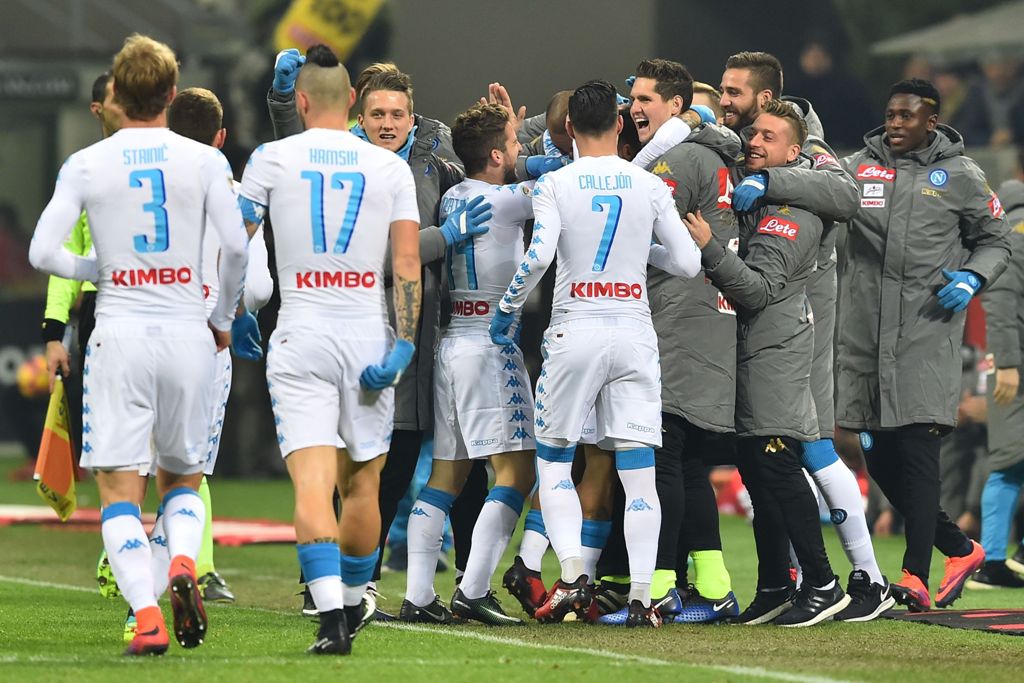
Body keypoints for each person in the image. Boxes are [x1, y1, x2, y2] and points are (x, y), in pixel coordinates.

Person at [29, 34, 248, 656]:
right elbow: (235, 248)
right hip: (188, 333)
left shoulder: (86, 164)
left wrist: (99, 269)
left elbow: (42, 252)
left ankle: (147, 616)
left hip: (120, 336)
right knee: (182, 481)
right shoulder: (205, 162)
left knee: (120, 491)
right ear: (172, 94)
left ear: (115, 96)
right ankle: (182, 562)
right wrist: (222, 317)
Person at [267, 53, 492, 604]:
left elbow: (494, 157)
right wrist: (444, 238)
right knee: (359, 465)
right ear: (358, 117)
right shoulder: (347, 165)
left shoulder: (431, 160)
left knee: (434, 463)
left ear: (412, 118)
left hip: (422, 336)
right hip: (356, 333)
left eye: (397, 114)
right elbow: (386, 253)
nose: (387, 124)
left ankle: (454, 585)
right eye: (377, 114)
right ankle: (336, 583)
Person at [490, 79, 701, 627]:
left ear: (567, 128)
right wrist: (642, 251)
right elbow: (688, 263)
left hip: (575, 329)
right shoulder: (648, 184)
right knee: (639, 473)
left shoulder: (556, 183)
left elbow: (539, 255)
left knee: (556, 460)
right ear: (621, 122)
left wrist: (507, 308)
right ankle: (640, 599)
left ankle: (574, 576)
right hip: (634, 332)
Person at [238, 44, 421, 655]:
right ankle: (351, 600)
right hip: (368, 334)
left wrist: (234, 311)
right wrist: (404, 344)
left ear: (301, 101)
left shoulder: (271, 158)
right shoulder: (390, 169)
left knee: (314, 486)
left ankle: (330, 621)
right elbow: (406, 263)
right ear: (353, 104)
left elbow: (234, 244)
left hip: (302, 333)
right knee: (364, 486)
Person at [717, 50, 891, 622]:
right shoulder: (742, 142)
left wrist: (769, 179)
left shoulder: (807, 145)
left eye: (734, 92)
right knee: (773, 450)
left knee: (808, 444)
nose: (725, 101)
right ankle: (784, 582)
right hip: (766, 314)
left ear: (765, 99)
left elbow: (846, 196)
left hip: (798, 312)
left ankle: (866, 578)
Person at [837, 78, 1010, 611]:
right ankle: (959, 548)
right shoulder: (857, 168)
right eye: (890, 114)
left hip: (926, 332)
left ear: (931, 121)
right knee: (879, 459)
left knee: (918, 450)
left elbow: (996, 240)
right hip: (864, 339)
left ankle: (915, 575)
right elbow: (820, 193)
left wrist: (974, 277)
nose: (894, 123)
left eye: (906, 116)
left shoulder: (961, 175)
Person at [684, 98, 848, 627]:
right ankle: (776, 584)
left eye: (768, 137)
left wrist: (710, 248)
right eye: (754, 134)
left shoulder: (795, 214)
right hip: (754, 349)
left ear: (794, 153)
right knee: (756, 468)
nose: (754, 142)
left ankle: (824, 584)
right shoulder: (762, 196)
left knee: (777, 465)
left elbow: (757, 290)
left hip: (776, 352)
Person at [593, 58, 742, 626]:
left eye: (646, 99)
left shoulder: (675, 161)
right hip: (706, 316)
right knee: (687, 460)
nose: (634, 108)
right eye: (633, 98)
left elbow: (637, 229)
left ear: (676, 106)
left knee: (660, 457)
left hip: (679, 318)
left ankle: (657, 588)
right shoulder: (709, 154)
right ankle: (715, 587)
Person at [401, 103, 536, 626]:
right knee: (517, 473)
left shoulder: (455, 193)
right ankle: (473, 589)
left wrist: (509, 124)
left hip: (451, 343)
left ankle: (418, 595)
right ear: (496, 155)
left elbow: (505, 162)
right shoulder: (508, 201)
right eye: (514, 143)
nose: (521, 151)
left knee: (446, 476)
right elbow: (563, 180)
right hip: (489, 346)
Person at [971, 174, 1024, 589]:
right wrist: (1006, 362)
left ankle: (998, 561)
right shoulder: (1016, 234)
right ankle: (992, 563)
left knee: (1009, 464)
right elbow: (1001, 301)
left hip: (1012, 365)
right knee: (1008, 463)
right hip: (1013, 369)